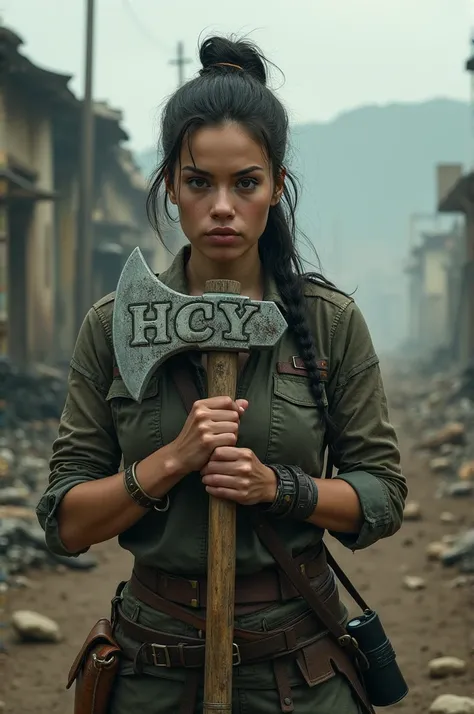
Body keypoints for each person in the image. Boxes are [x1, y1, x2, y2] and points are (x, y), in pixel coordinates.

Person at [36, 35, 407, 714]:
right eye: (199, 181)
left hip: (301, 675)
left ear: (276, 189)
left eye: (247, 182)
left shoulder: (327, 323)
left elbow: (382, 496)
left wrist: (279, 488)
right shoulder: (114, 324)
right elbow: (64, 523)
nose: (223, 207)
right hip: (153, 672)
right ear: (170, 187)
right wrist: (169, 462)